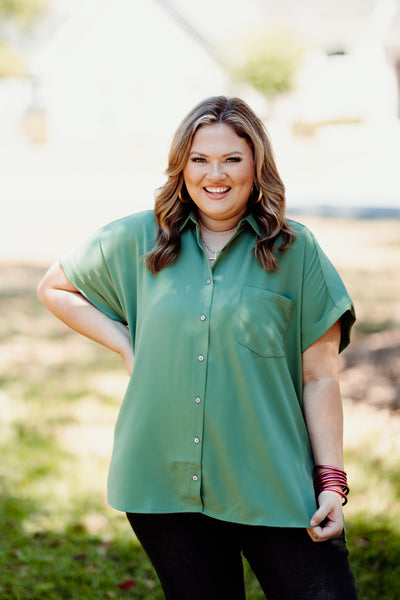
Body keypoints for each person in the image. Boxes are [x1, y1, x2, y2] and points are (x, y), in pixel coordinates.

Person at [37, 96, 358, 599]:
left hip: (273, 482)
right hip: (164, 487)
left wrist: (331, 483)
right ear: (181, 167)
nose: (216, 174)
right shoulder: (138, 239)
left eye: (232, 158)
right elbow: (54, 287)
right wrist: (126, 345)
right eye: (200, 159)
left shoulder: (296, 251)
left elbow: (319, 376)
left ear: (257, 166)